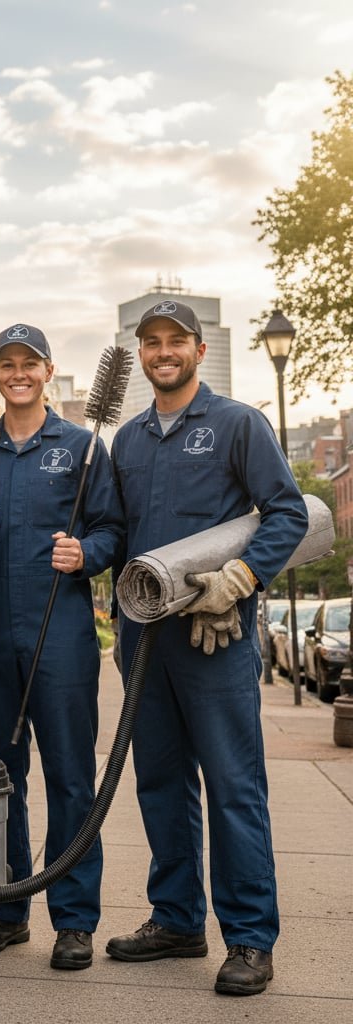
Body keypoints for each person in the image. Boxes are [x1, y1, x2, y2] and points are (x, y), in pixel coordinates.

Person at [107, 299, 307, 996]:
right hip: (144, 642)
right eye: (151, 342)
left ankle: (249, 937)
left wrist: (242, 578)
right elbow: (120, 536)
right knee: (161, 784)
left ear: (198, 349)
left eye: (176, 341)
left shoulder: (238, 424)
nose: (163, 351)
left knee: (232, 787)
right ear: (140, 352)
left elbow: (286, 511)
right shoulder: (128, 441)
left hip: (214, 637)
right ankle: (176, 920)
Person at [0, 325, 124, 971]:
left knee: (71, 779)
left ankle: (74, 920)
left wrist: (87, 553)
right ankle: (6, 910)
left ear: (48, 370)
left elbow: (112, 529)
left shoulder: (82, 447)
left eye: (29, 363)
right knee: (0, 778)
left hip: (63, 639)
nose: (17, 373)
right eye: (6, 364)